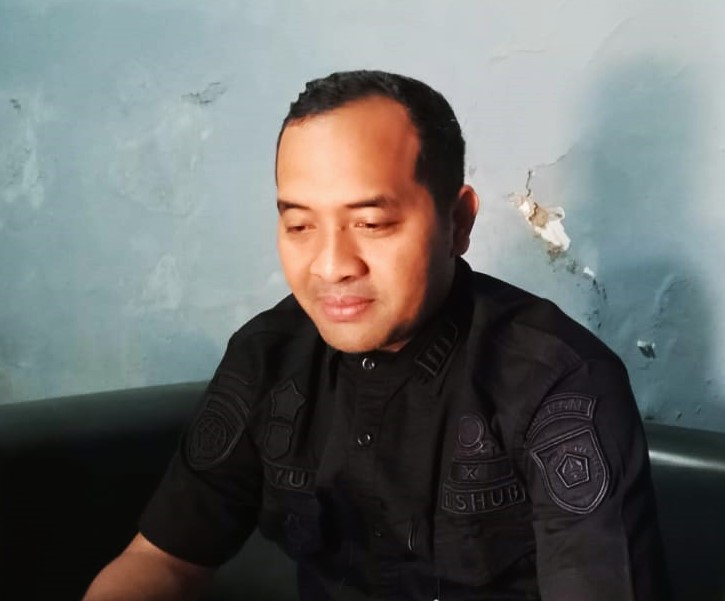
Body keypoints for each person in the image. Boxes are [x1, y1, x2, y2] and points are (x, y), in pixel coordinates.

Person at [84, 70, 669, 600]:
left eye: (371, 223)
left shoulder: (557, 382)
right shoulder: (267, 357)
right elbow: (161, 560)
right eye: (299, 225)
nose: (330, 265)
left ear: (457, 222)